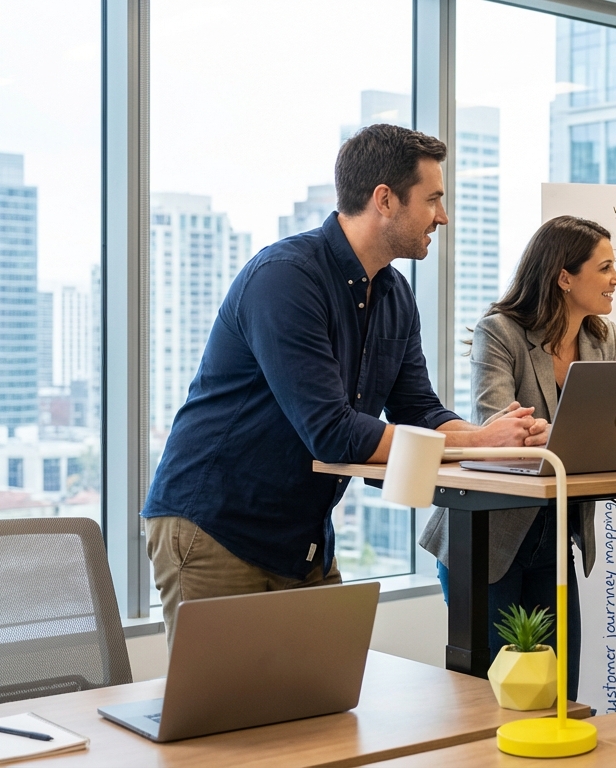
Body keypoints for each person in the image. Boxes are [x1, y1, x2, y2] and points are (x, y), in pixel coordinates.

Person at [141, 124, 548, 641]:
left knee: (324, 689)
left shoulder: (395, 294)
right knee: (226, 696)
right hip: (218, 527)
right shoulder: (286, 277)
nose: (442, 216)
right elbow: (332, 432)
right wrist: (479, 444)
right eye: (433, 199)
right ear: (385, 199)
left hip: (302, 536)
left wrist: (499, 440)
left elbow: (419, 410)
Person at [419, 215, 616, 699]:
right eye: (605, 267)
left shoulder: (602, 339)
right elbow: (499, 426)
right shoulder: (500, 332)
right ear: (564, 277)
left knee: (561, 691)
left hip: (555, 535)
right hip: (488, 538)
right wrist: (546, 434)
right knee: (497, 696)